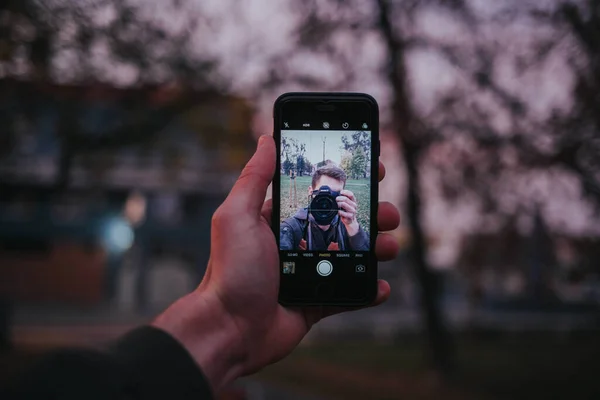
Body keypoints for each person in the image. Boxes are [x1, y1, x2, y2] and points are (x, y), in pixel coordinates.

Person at [5, 136, 400, 400]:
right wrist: (228, 316)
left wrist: (351, 227)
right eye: (321, 195)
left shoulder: (352, 225)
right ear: (311, 193)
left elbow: (363, 251)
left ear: (345, 197)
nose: (326, 203)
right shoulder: (292, 222)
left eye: (335, 196)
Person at [280, 164, 368, 251]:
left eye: (334, 195)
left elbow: (367, 256)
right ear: (311, 192)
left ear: (342, 195)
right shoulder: (293, 226)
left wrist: (352, 225)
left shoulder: (346, 226)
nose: (327, 200)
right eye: (323, 194)